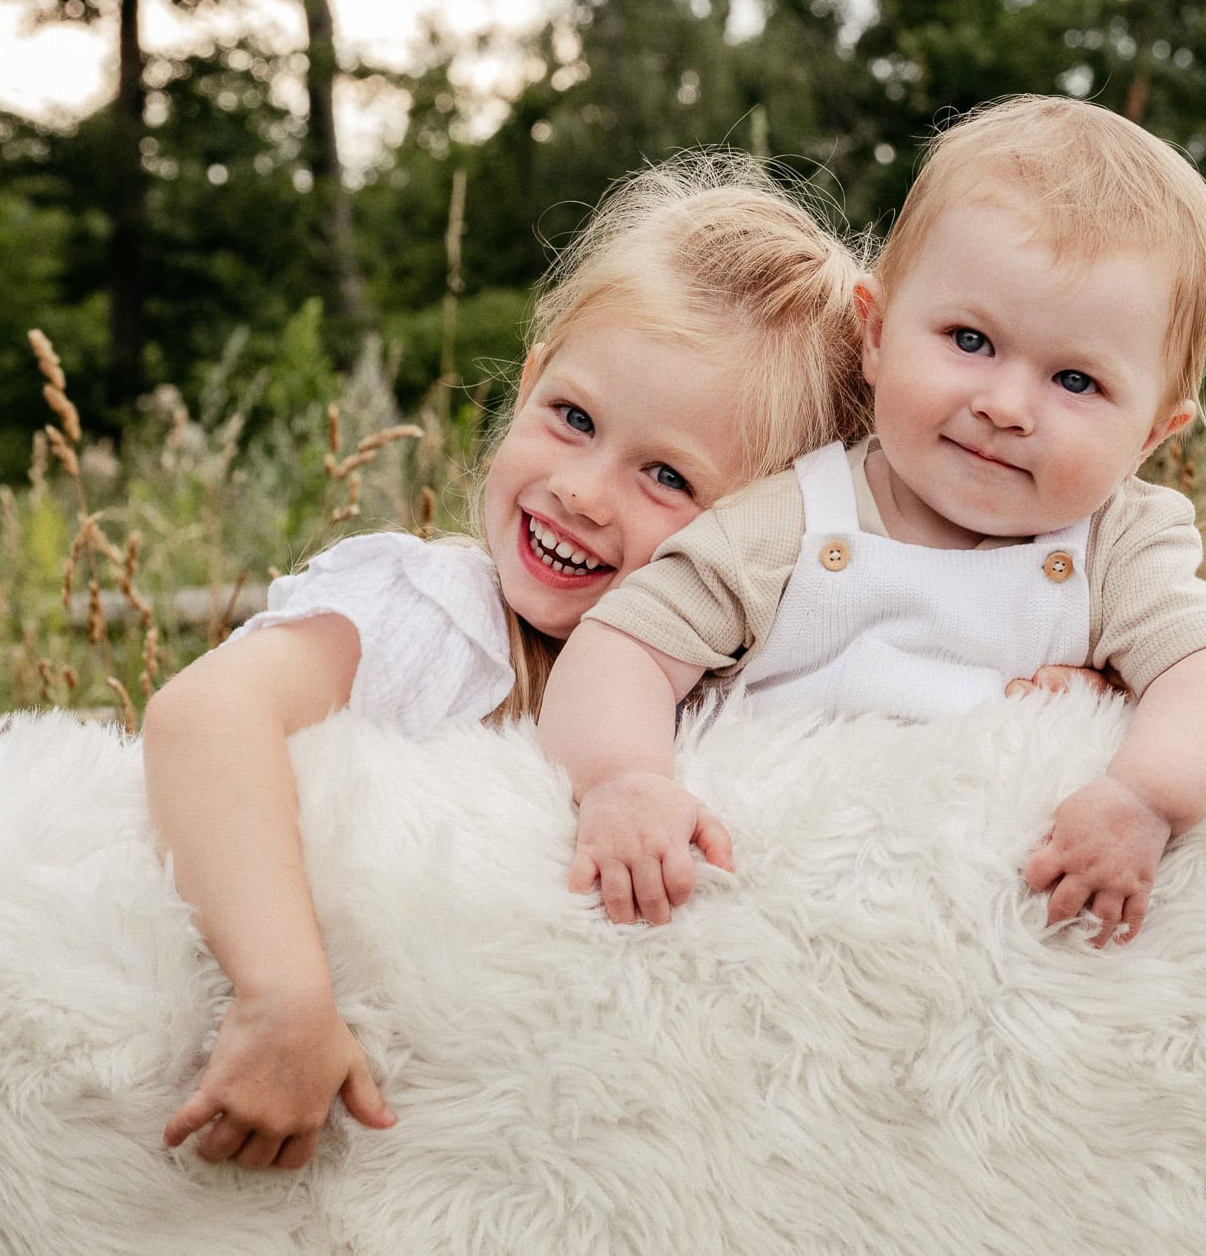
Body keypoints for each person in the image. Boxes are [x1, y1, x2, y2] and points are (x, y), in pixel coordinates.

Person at [140, 152, 872, 1171]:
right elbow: (204, 716)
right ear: (526, 385)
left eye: (667, 476)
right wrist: (283, 992)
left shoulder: (743, 690)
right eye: (571, 418)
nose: (580, 490)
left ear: (764, 532)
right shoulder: (436, 615)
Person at [540, 95, 1206, 951]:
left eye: (1076, 381)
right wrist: (624, 779)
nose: (1006, 405)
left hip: (999, 933)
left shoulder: (1118, 548)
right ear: (878, 332)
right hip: (787, 916)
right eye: (970, 340)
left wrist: (1143, 796)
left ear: (1152, 434)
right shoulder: (787, 519)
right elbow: (624, 647)